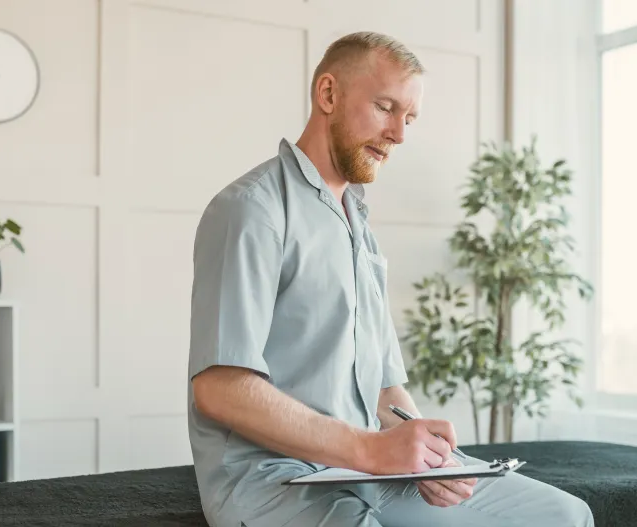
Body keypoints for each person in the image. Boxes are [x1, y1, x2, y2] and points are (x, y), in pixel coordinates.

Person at [187, 31, 595, 527]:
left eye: (410, 117)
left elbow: (383, 391)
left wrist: (427, 454)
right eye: (385, 107)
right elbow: (220, 387)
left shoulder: (358, 225)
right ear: (328, 94)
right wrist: (371, 450)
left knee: (563, 515)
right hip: (272, 480)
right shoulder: (252, 210)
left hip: (363, 469)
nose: (399, 133)